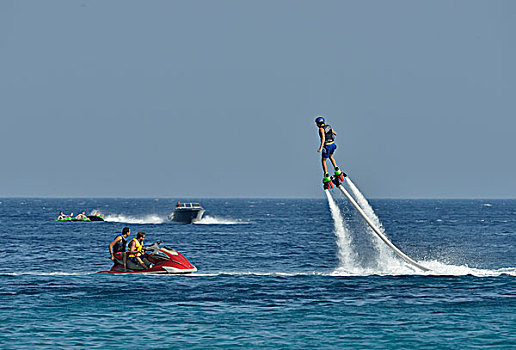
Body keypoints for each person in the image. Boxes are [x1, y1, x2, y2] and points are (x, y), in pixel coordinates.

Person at [315, 116, 345, 185]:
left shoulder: (321, 129)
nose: (316, 125)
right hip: (333, 144)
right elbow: (335, 133)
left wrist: (320, 148)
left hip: (327, 145)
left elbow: (323, 138)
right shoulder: (328, 126)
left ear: (319, 123)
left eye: (316, 123)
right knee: (331, 156)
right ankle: (337, 170)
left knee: (323, 160)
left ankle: (326, 176)